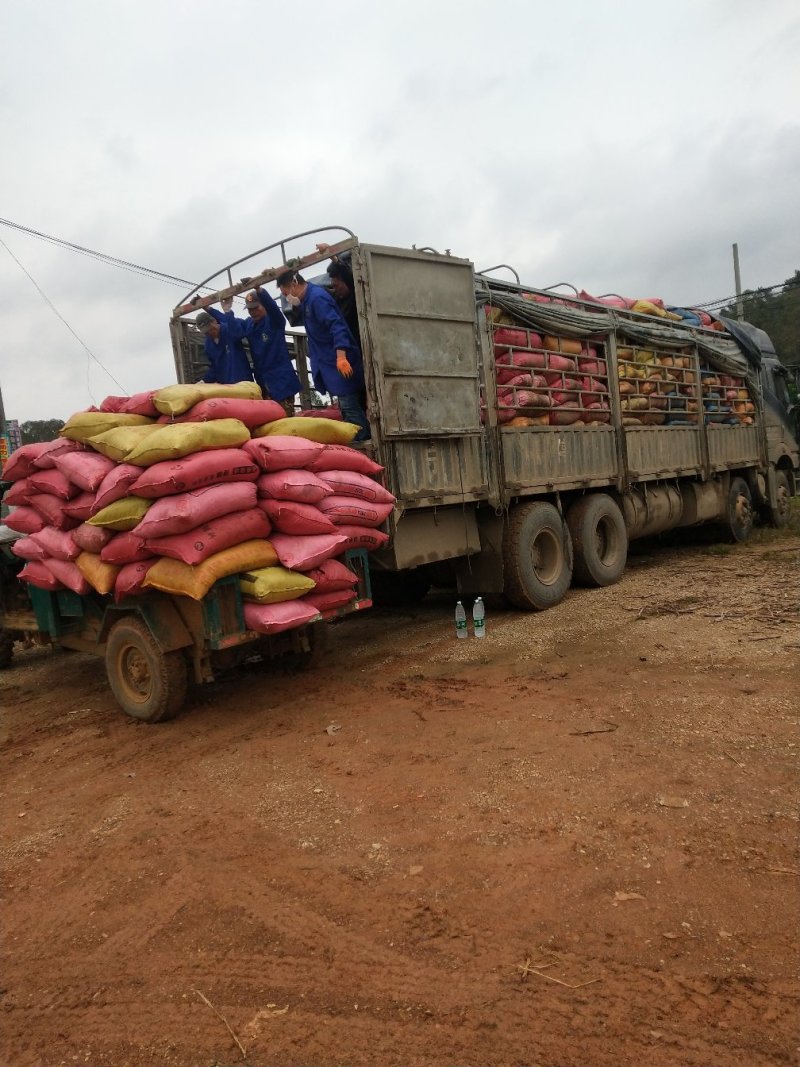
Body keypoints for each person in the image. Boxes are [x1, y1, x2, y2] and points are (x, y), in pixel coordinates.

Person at [276, 269, 370, 441]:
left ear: (294, 284)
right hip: (328, 362)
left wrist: (341, 356)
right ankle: (359, 438)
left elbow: (337, 327)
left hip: (339, 362)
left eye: (286, 293)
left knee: (349, 405)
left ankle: (363, 441)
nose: (287, 298)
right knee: (346, 406)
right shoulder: (306, 301)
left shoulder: (317, 298)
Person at [241, 288, 301, 416]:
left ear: (264, 305)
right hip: (264, 383)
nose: (253, 312)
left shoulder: (274, 321)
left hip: (281, 382)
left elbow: (273, 308)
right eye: (250, 309)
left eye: (256, 307)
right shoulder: (249, 325)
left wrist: (260, 290)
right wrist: (219, 311)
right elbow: (231, 326)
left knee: (284, 419)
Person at [194, 298, 254, 385]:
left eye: (210, 329)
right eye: (206, 332)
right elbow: (215, 366)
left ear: (214, 321)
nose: (210, 333)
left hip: (243, 383)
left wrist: (227, 311)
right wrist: (204, 380)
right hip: (225, 387)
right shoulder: (208, 345)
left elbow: (238, 332)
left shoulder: (229, 330)